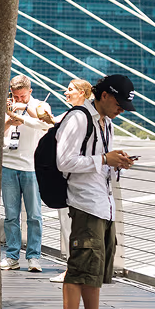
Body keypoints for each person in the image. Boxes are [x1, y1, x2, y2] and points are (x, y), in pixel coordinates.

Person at [56, 74, 136, 309]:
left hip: (104, 204)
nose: (122, 109)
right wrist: (103, 159)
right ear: (104, 96)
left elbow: (100, 162)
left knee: (94, 270)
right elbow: (63, 161)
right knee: (79, 268)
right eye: (119, 103)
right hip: (85, 204)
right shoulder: (79, 119)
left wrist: (117, 163)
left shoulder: (107, 123)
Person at [2, 74, 52, 272]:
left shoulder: (40, 106)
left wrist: (24, 110)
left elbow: (47, 124)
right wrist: (9, 122)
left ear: (30, 92)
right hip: (8, 165)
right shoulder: (7, 106)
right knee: (11, 216)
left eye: (22, 96)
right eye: (15, 96)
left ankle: (33, 256)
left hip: (32, 167)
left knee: (34, 215)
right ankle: (12, 256)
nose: (18, 100)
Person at [51, 78, 93, 284]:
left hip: (73, 183)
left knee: (70, 228)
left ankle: (72, 271)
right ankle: (74, 269)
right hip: (79, 184)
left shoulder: (78, 116)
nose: (66, 93)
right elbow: (52, 122)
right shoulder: (80, 115)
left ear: (83, 93)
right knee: (72, 229)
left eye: (70, 90)